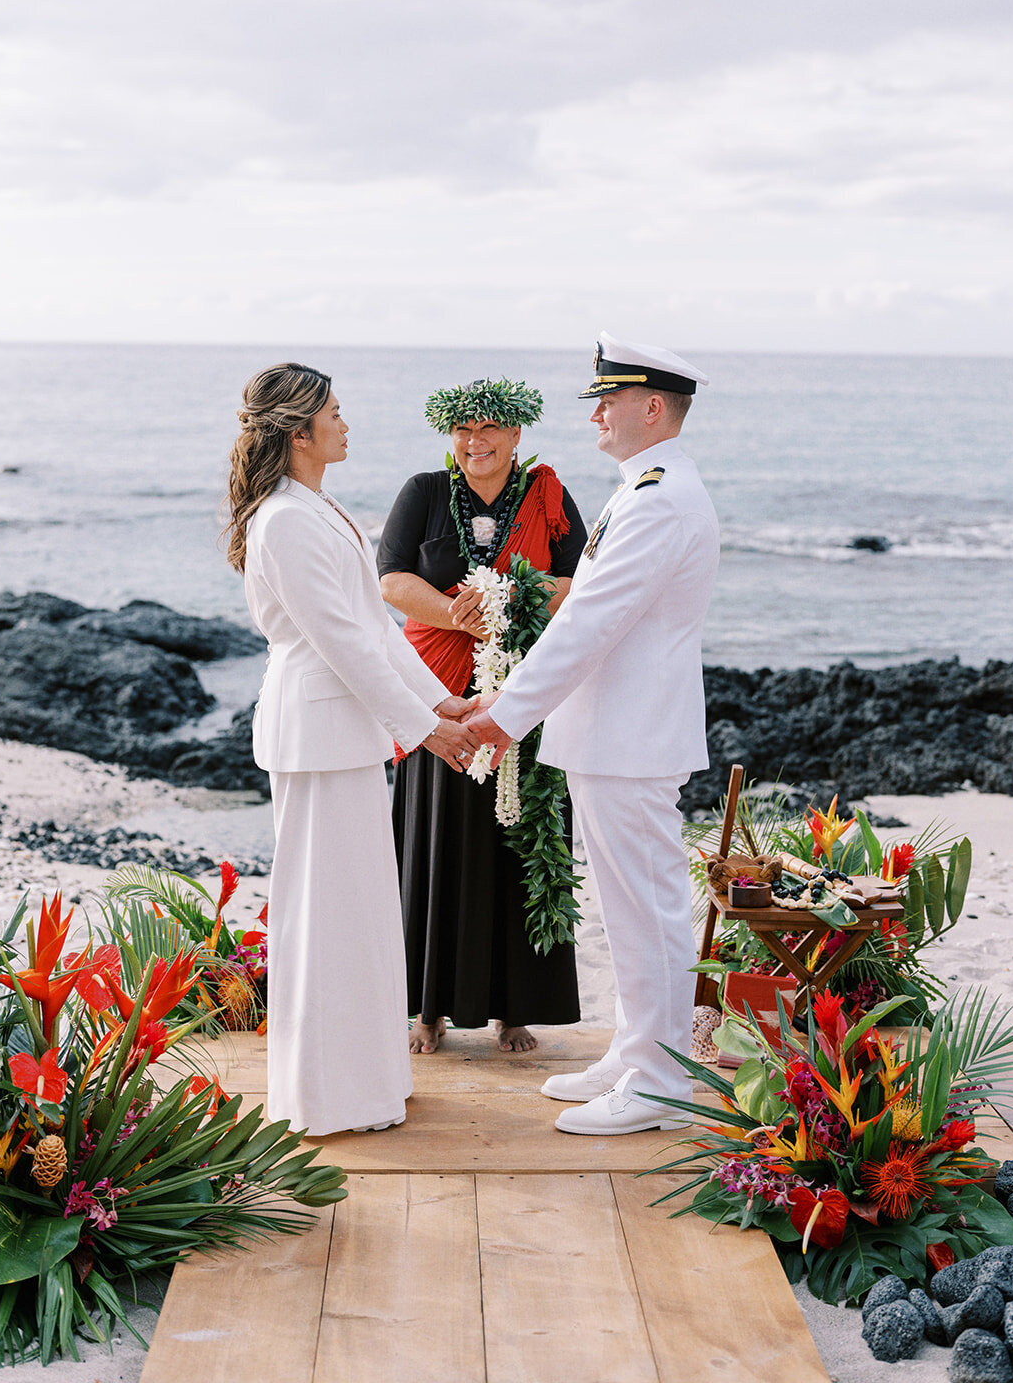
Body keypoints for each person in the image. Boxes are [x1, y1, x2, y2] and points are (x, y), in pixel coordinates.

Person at [466, 333, 720, 1136]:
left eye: (609, 400)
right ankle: (636, 1051)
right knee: (627, 908)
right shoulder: (643, 488)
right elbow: (586, 618)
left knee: (646, 909)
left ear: (654, 407)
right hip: (616, 734)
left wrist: (504, 716)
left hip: (632, 737)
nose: (596, 413)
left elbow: (590, 624)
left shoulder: (660, 497)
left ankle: (659, 1083)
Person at [225, 361, 477, 1135]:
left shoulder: (316, 507)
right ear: (300, 431)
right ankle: (327, 1098)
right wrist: (426, 729)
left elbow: (374, 627)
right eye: (334, 412)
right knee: (325, 918)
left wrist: (442, 700)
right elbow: (340, 643)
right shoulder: (284, 520)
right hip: (315, 735)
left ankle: (368, 1083)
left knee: (363, 915)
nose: (346, 421)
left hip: (348, 736)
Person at [378, 378, 587, 1053]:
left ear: (517, 434)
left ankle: (514, 1006)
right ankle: (427, 1008)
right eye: (463, 431)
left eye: (489, 429)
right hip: (435, 690)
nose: (475, 442)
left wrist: (508, 600)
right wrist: (457, 613)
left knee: (519, 841)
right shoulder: (424, 493)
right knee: (434, 840)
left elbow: (579, 581)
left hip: (522, 690)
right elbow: (390, 578)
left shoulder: (548, 496)